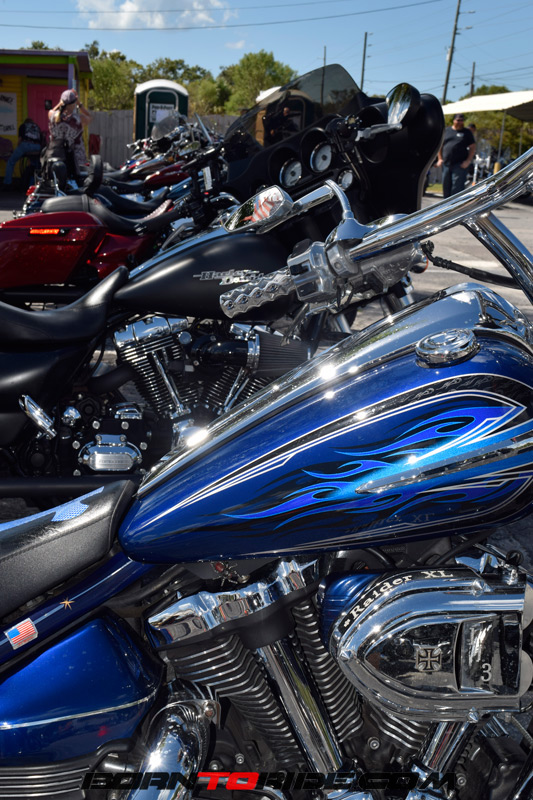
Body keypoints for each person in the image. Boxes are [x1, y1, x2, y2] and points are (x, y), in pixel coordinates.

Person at [47, 88, 92, 176]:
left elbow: (53, 110)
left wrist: (60, 104)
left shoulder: (52, 115)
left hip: (57, 158)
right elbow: (90, 116)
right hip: (76, 160)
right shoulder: (79, 119)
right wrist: (79, 104)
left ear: (61, 102)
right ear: (73, 104)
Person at [437, 113, 476, 197]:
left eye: (462, 120)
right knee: (446, 187)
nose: (460, 122)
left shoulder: (467, 132)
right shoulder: (446, 131)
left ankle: (455, 205)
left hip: (459, 164)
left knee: (457, 188)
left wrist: (468, 161)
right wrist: (440, 159)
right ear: (454, 121)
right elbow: (440, 145)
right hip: (446, 164)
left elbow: (472, 147)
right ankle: (446, 204)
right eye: (458, 120)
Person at [1, 118, 42, 189]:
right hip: (37, 147)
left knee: (11, 162)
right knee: (35, 165)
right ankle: (34, 183)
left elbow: (20, 139)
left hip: (26, 145)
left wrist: (18, 149)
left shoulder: (23, 126)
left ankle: (7, 183)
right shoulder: (37, 127)